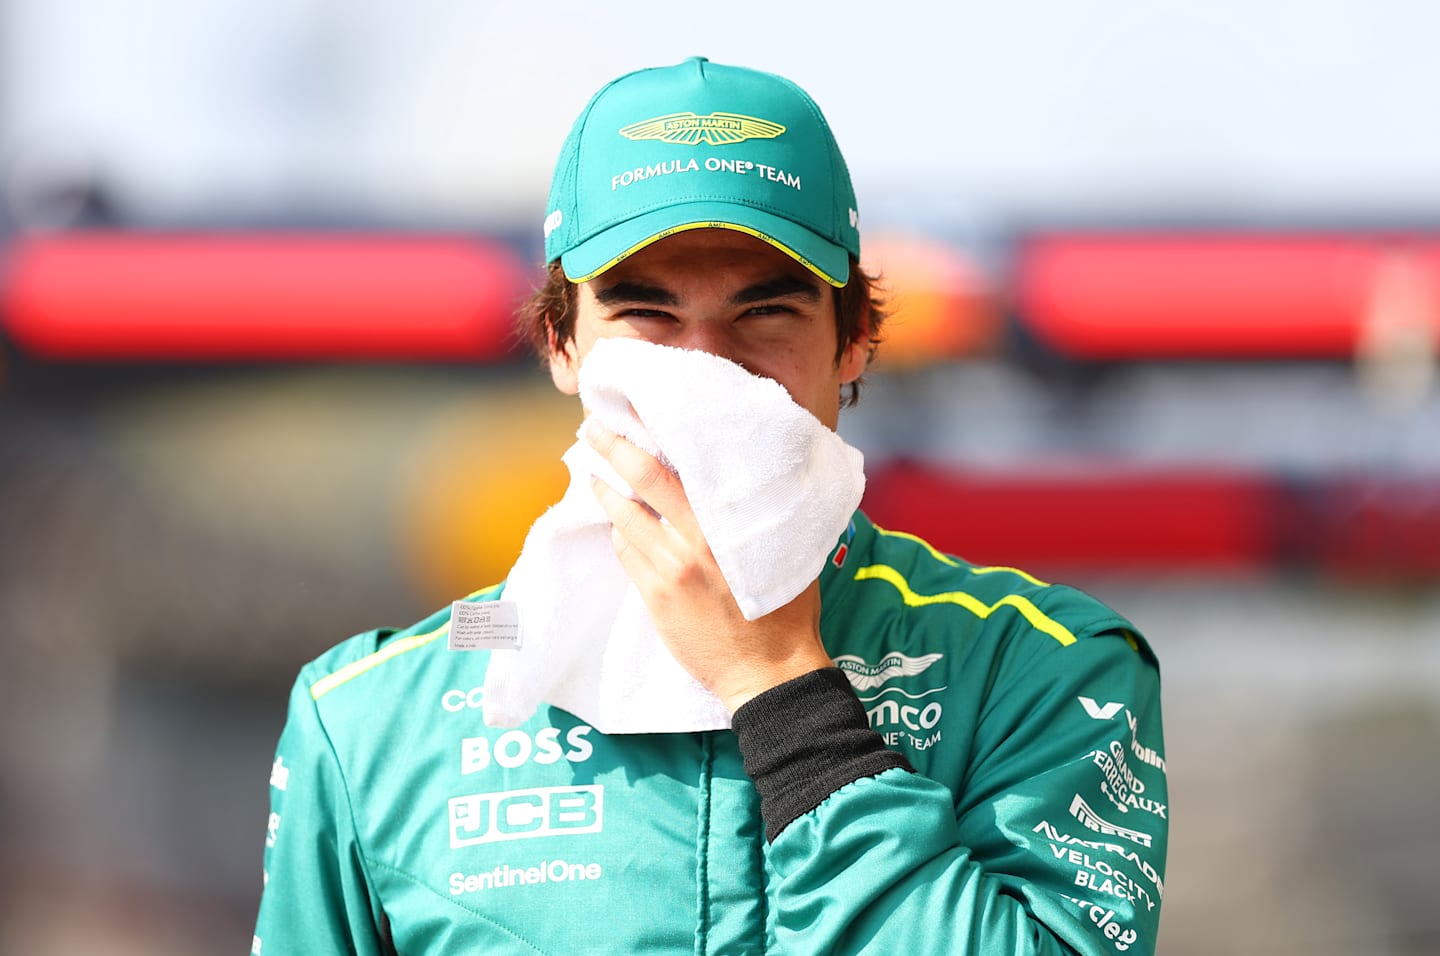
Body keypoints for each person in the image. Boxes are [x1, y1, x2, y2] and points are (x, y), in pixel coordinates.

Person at [253, 57, 1168, 955]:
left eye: (763, 313)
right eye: (646, 315)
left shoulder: (1041, 670)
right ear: (559, 345)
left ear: (853, 342)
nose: (702, 368)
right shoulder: (370, 716)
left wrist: (783, 692)